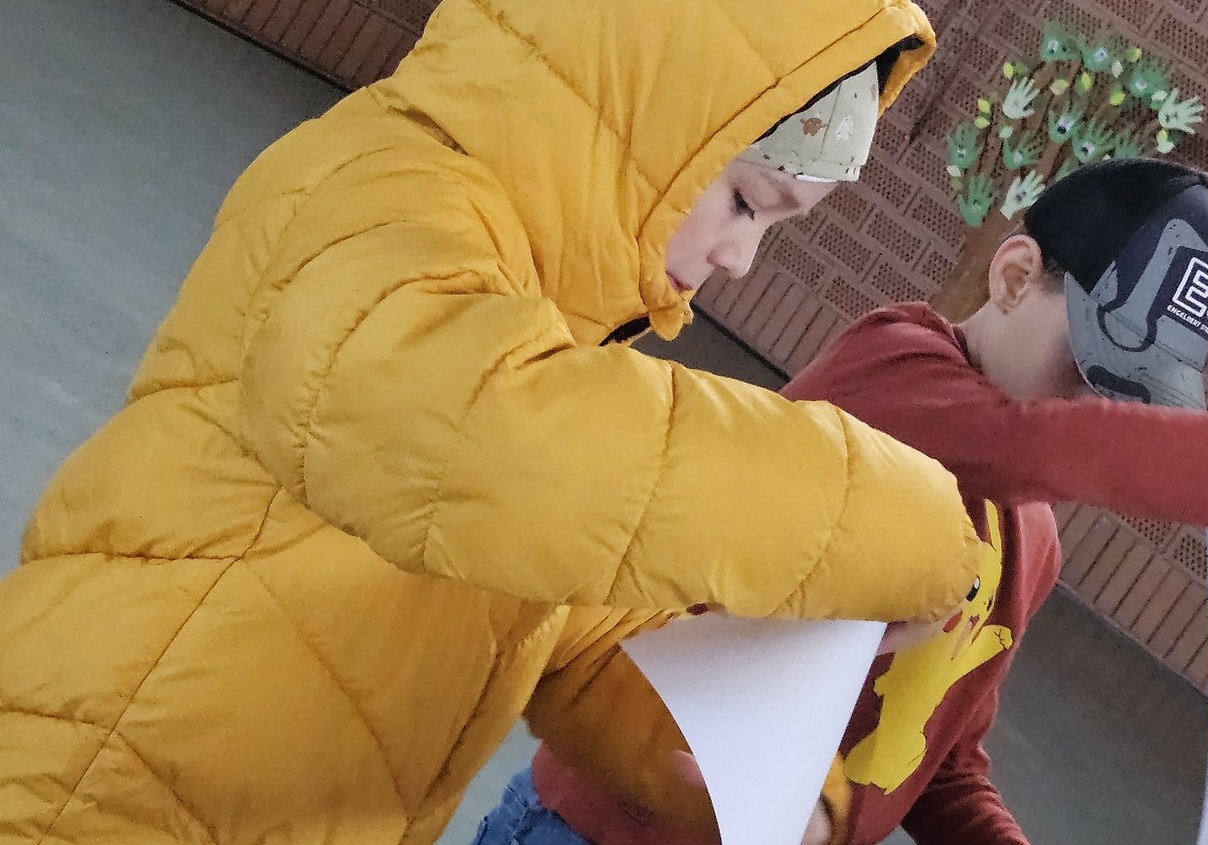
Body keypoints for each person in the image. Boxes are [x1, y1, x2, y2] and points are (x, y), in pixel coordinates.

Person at [0, 2, 997, 843]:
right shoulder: (385, 190)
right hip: (95, 784)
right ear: (650, 119)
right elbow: (475, 439)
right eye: (744, 200)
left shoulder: (549, 337)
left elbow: (561, 606)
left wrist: (753, 778)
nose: (740, 259)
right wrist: (880, 519)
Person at [486, 158, 1208, 845]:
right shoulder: (892, 369)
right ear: (1013, 274)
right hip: (605, 822)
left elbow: (939, 754)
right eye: (1087, 368)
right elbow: (1032, 442)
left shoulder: (1030, 538)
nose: (1091, 407)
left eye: (1126, 398)